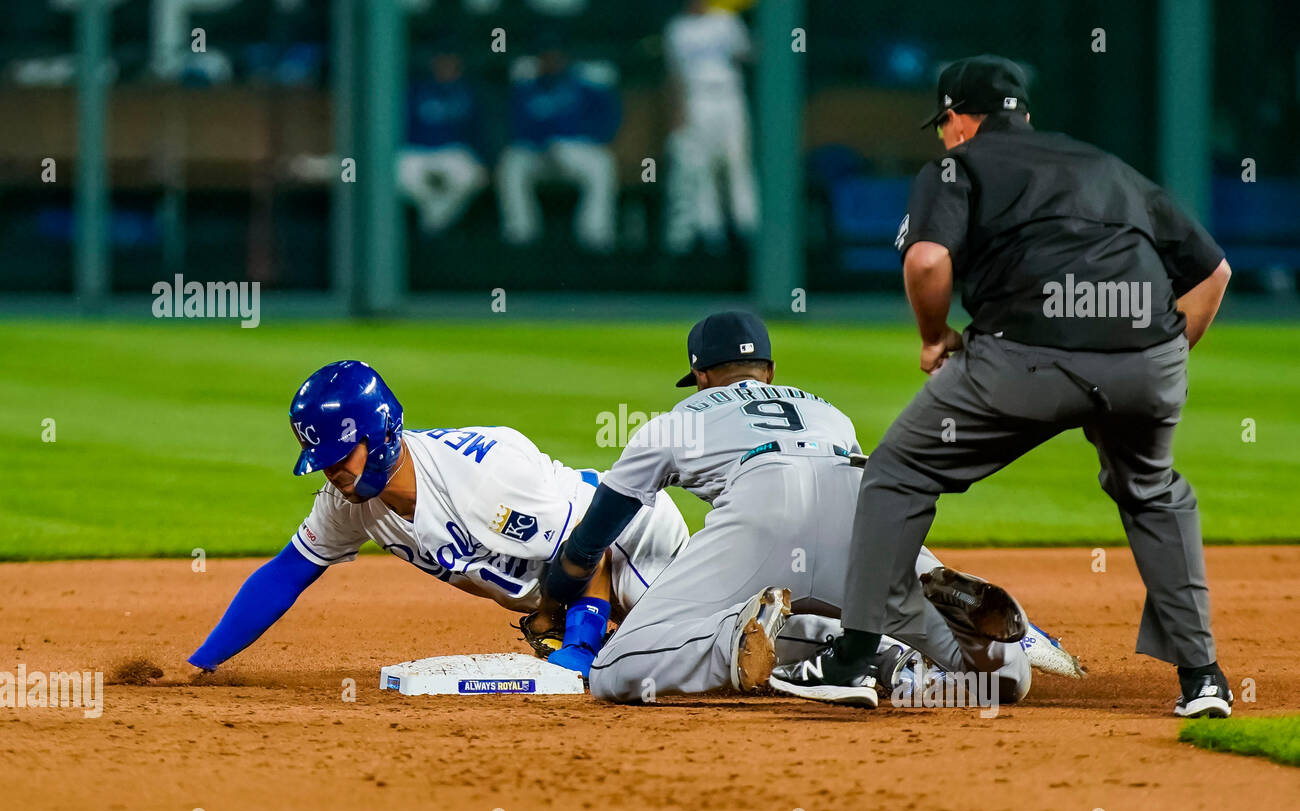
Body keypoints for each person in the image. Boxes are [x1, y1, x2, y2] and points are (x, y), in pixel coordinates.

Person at [771, 55, 1234, 717]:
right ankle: (1204, 680)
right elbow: (1212, 273)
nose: (942, 136)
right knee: (1154, 493)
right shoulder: (1105, 166)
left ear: (962, 118)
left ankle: (852, 661)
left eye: (944, 123)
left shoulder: (957, 167)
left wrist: (934, 337)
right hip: (1146, 352)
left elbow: (928, 259)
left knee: (898, 471)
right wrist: (1157, 357)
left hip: (1027, 354)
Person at [541, 311, 1078, 704]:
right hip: (863, 503)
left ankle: (733, 637)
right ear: (769, 371)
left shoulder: (676, 418)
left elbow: (591, 541)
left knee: (614, 669)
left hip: (765, 502)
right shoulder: (826, 410)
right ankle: (969, 638)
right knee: (996, 684)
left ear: (701, 377)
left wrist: (562, 586)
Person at [187, 361, 687, 675]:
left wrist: (579, 646)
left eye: (342, 456)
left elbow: (586, 546)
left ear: (380, 434)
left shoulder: (483, 474)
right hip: (574, 571)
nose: (333, 473)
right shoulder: (350, 505)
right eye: (323, 462)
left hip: (631, 538)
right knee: (639, 665)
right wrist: (203, 663)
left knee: (687, 657)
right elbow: (285, 574)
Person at [496, 39, 622, 253]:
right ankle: (521, 234)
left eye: (555, 56)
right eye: (545, 57)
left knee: (603, 163)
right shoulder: (526, 87)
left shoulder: (584, 84)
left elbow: (609, 119)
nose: (551, 61)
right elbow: (514, 126)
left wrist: (584, 138)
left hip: (574, 150)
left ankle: (595, 235)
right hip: (536, 154)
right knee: (511, 163)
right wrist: (541, 142)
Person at [662, 0, 759, 254]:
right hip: (697, 98)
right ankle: (710, 231)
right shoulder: (676, 28)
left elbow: (749, 55)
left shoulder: (726, 20)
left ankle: (747, 226)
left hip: (729, 95)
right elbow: (675, 75)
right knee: (702, 167)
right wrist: (678, 113)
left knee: (737, 161)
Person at [397, 49, 488, 235]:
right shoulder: (416, 89)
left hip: (453, 152)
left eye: (450, 62)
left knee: (471, 177)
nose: (445, 67)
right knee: (400, 177)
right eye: (441, 62)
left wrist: (486, 159)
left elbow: (480, 130)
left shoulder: (468, 91)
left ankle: (432, 224)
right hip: (417, 151)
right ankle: (435, 221)